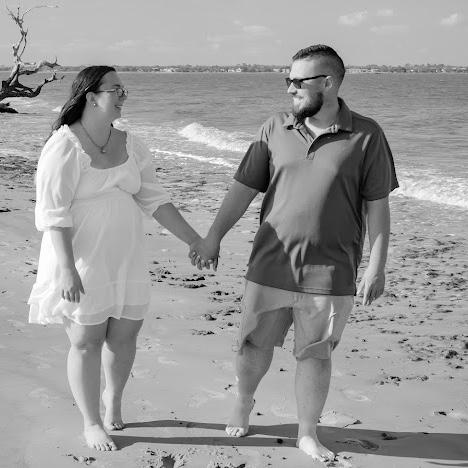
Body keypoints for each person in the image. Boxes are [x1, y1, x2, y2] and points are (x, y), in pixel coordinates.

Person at [190, 44, 398, 462]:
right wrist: (213, 236)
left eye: (298, 81)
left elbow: (377, 205)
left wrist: (376, 266)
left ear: (328, 82)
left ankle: (307, 432)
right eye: (288, 80)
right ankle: (243, 402)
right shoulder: (274, 127)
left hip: (331, 271)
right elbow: (242, 189)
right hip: (271, 264)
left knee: (316, 355)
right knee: (253, 346)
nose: (289, 89)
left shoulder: (367, 135)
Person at [28, 66, 202, 451]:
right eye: (116, 90)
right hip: (81, 259)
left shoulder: (131, 144)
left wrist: (194, 240)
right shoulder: (64, 145)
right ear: (91, 97)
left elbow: (154, 199)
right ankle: (91, 422)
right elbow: (52, 214)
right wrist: (67, 270)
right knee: (86, 341)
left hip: (126, 255)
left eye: (125, 89)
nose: (124, 95)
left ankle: (113, 399)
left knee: (124, 337)